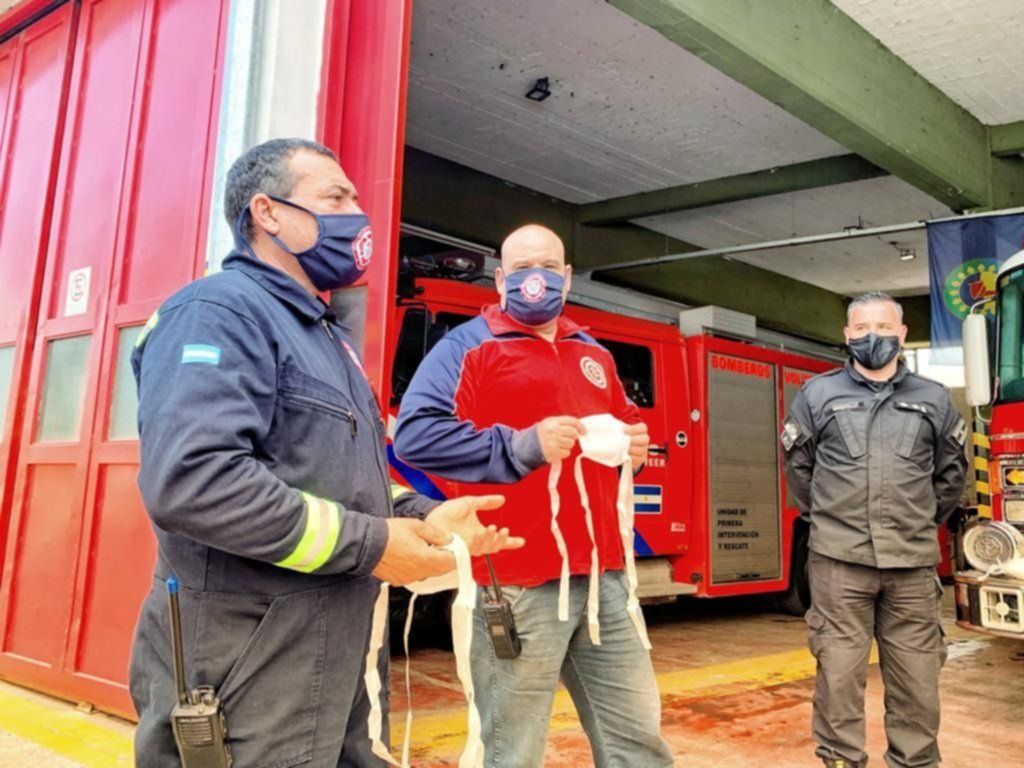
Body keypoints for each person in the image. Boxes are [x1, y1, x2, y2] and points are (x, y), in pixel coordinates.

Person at [129, 138, 522, 767]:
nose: (356, 216)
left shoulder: (322, 336)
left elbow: (339, 475)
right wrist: (374, 545)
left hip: (334, 654)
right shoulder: (218, 312)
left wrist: (421, 516)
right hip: (246, 663)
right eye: (335, 198)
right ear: (267, 212)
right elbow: (194, 481)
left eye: (356, 201)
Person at [393, 224, 674, 768]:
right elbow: (416, 436)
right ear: (500, 280)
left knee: (640, 744)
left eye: (546, 267)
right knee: (512, 751)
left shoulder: (593, 353)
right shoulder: (467, 347)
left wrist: (635, 448)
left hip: (605, 582)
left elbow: (626, 424)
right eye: (521, 269)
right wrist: (522, 446)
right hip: (517, 583)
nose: (535, 279)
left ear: (566, 277)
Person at [782, 291, 967, 768]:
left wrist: (918, 523)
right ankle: (842, 762)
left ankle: (914, 763)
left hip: (911, 566)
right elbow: (799, 471)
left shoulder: (933, 398)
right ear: (847, 335)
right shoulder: (817, 395)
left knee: (917, 680)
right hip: (839, 565)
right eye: (862, 328)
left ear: (902, 333)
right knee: (838, 678)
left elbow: (951, 475)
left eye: (883, 328)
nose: (873, 337)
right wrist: (832, 521)